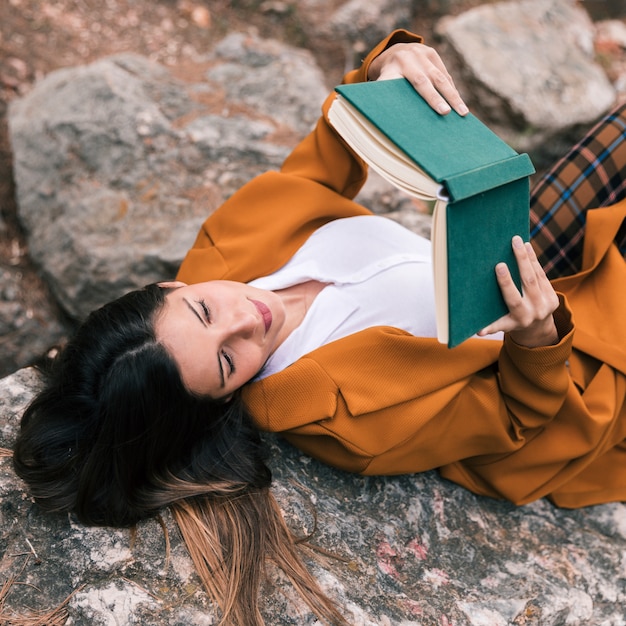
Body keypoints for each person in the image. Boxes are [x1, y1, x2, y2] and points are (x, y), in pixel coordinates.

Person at [12, 27, 626, 626]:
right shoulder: (349, 422)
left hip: (507, 246)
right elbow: (518, 417)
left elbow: (318, 168)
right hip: (593, 371)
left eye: (202, 310)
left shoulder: (223, 249)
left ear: (173, 287)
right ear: (226, 400)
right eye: (228, 362)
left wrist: (385, 75)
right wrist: (535, 338)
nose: (243, 321)